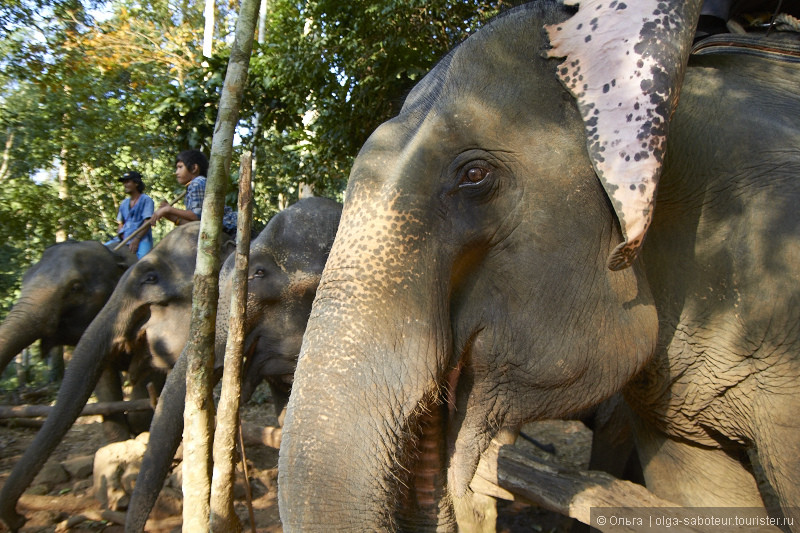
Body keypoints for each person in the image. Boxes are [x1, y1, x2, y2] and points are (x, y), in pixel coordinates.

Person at [150, 149, 237, 235]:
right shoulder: (194, 184)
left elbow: (196, 216)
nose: (176, 173)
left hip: (229, 227)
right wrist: (171, 216)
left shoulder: (197, 182)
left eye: (180, 167)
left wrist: (168, 209)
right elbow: (196, 224)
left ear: (194, 168)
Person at [105, 170, 154, 259]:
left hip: (142, 239)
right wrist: (121, 235)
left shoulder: (146, 200)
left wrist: (137, 239)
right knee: (104, 249)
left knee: (143, 260)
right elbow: (120, 223)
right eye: (124, 182)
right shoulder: (124, 203)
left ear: (136, 183)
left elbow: (148, 221)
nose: (125, 185)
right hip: (124, 238)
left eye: (127, 182)